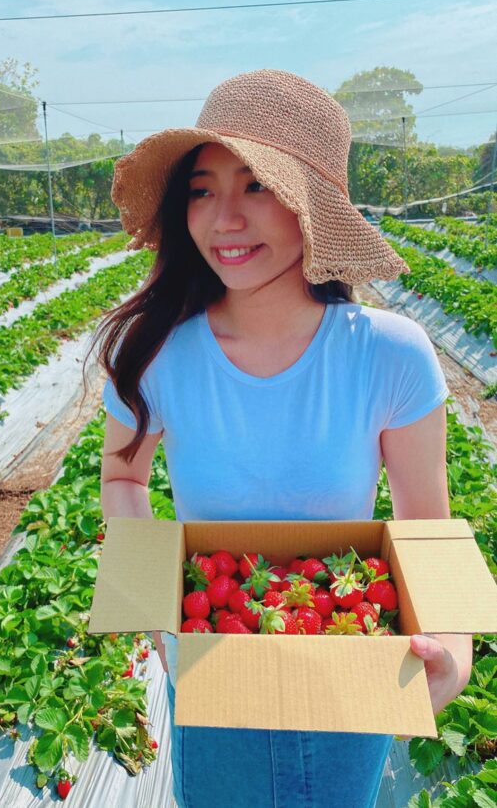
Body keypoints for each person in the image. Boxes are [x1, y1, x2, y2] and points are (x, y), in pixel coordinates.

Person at [91, 70, 473, 808]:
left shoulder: (388, 353)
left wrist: (453, 649)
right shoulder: (160, 352)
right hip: (211, 663)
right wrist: (155, 606)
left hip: (346, 665)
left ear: (311, 207)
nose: (224, 219)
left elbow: (426, 521)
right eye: (202, 189)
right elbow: (123, 479)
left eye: (257, 185)